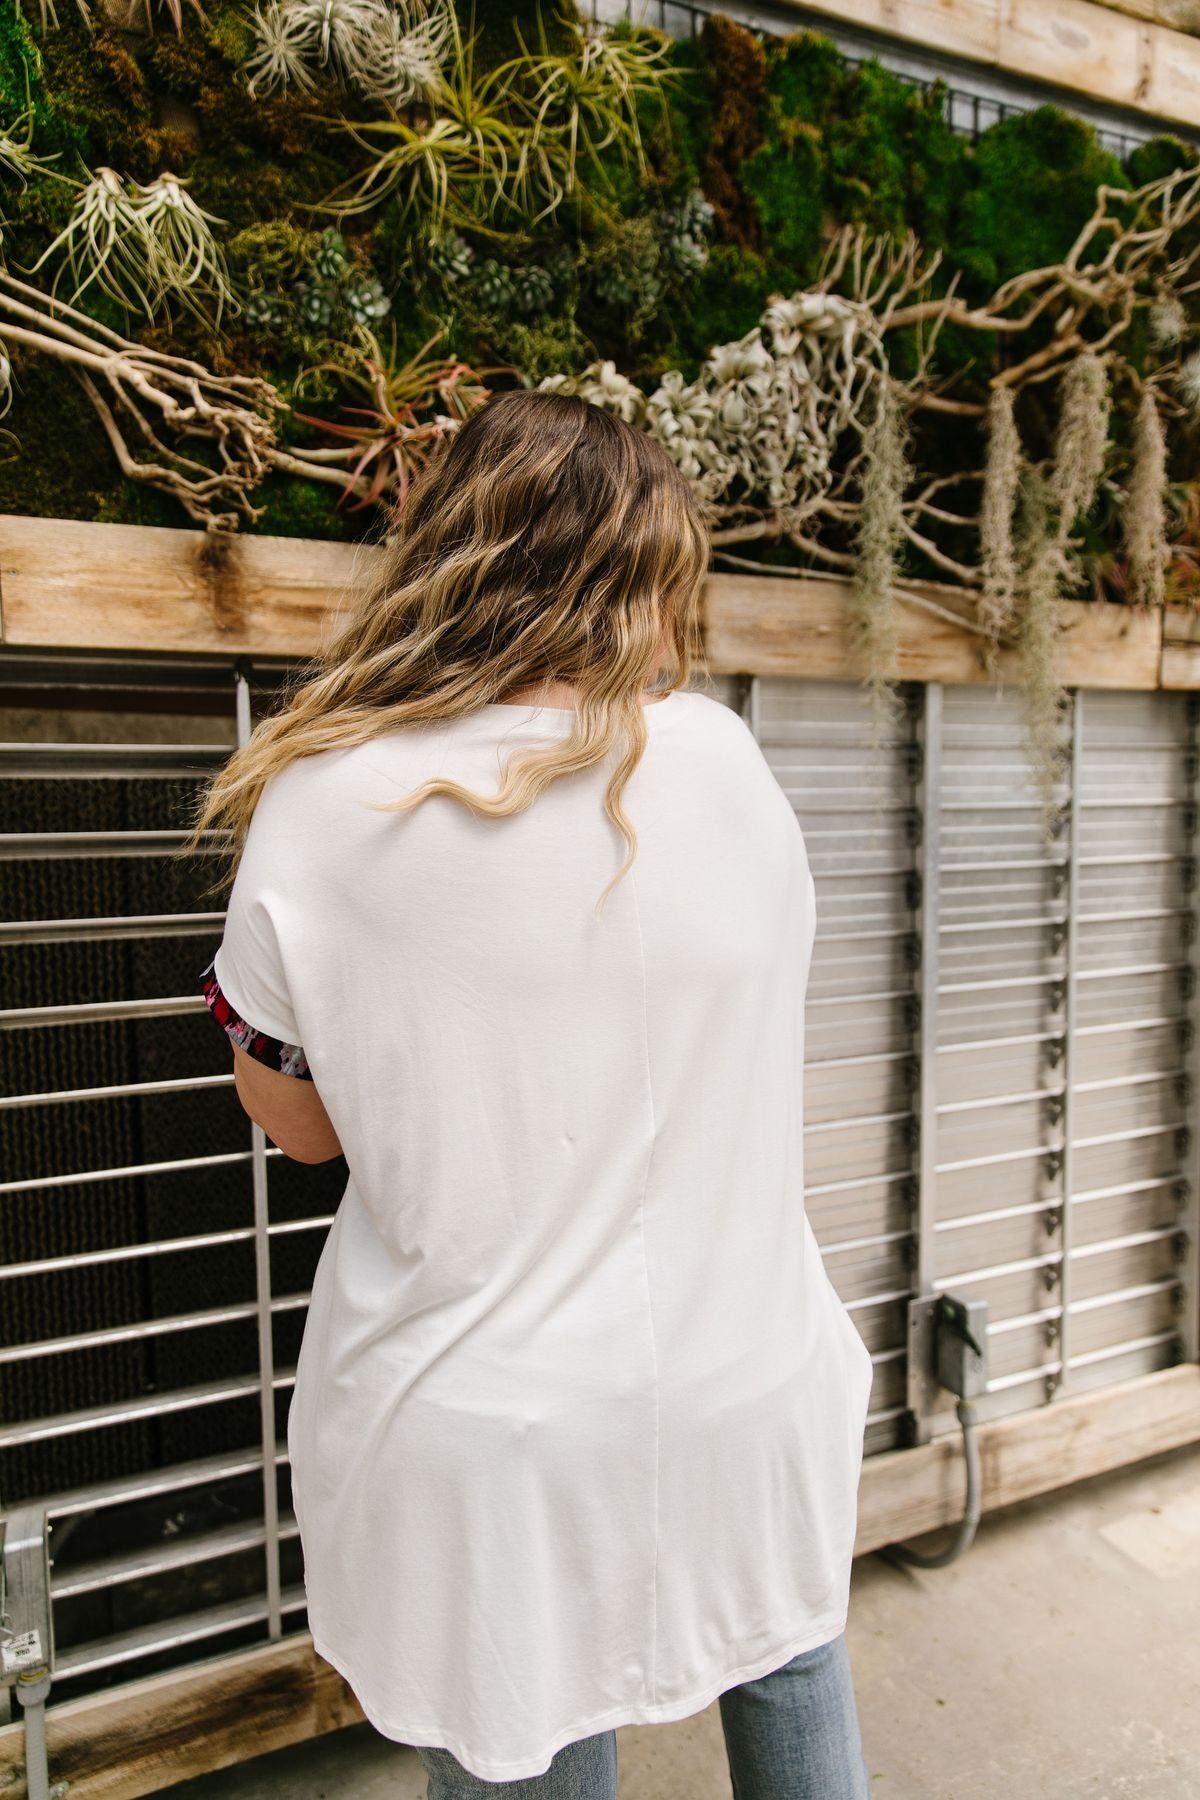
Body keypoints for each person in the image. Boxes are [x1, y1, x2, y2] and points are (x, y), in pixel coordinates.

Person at [187, 388, 875, 1798]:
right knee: (790, 1652)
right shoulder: (730, 768)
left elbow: (302, 1129)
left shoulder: (326, 802)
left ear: (453, 555)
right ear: (648, 575)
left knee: (535, 1722)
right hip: (749, 1371)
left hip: (493, 1427)